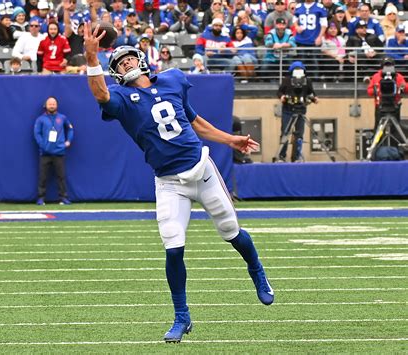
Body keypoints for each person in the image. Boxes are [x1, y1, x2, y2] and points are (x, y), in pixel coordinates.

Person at [83, 23, 274, 343]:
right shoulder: (120, 97)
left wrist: (231, 140)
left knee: (230, 230)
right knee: (173, 245)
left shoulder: (172, 79)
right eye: (119, 64)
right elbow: (100, 93)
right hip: (169, 182)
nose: (126, 64)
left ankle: (256, 269)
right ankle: (182, 316)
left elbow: (195, 121)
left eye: (129, 59)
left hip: (203, 170)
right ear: (114, 72)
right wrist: (91, 58)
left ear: (141, 59)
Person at [34, 96, 74, 206]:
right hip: (45, 153)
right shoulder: (41, 119)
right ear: (46, 105)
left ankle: (63, 198)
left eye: (53, 103)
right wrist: (43, 145)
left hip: (59, 153)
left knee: (61, 177)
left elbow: (70, 129)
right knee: (43, 177)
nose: (52, 105)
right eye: (50, 104)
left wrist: (68, 141)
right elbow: (37, 134)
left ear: (56, 105)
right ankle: (41, 198)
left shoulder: (62, 118)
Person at [277, 61, 319, 162]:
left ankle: (296, 156)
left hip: (301, 111)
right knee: (285, 133)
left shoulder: (307, 81)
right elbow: (279, 91)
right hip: (288, 110)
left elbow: (311, 93)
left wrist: (315, 98)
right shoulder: (286, 80)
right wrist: (282, 97)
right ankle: (282, 156)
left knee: (299, 134)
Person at [367, 56, 407, 137]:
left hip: (394, 106)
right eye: (386, 66)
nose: (387, 68)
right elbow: (369, 91)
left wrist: (401, 87)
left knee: (395, 130)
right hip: (380, 106)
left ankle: (394, 147)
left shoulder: (398, 76)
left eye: (389, 65)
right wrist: (378, 89)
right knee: (378, 129)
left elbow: (406, 88)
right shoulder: (376, 76)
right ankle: (377, 147)